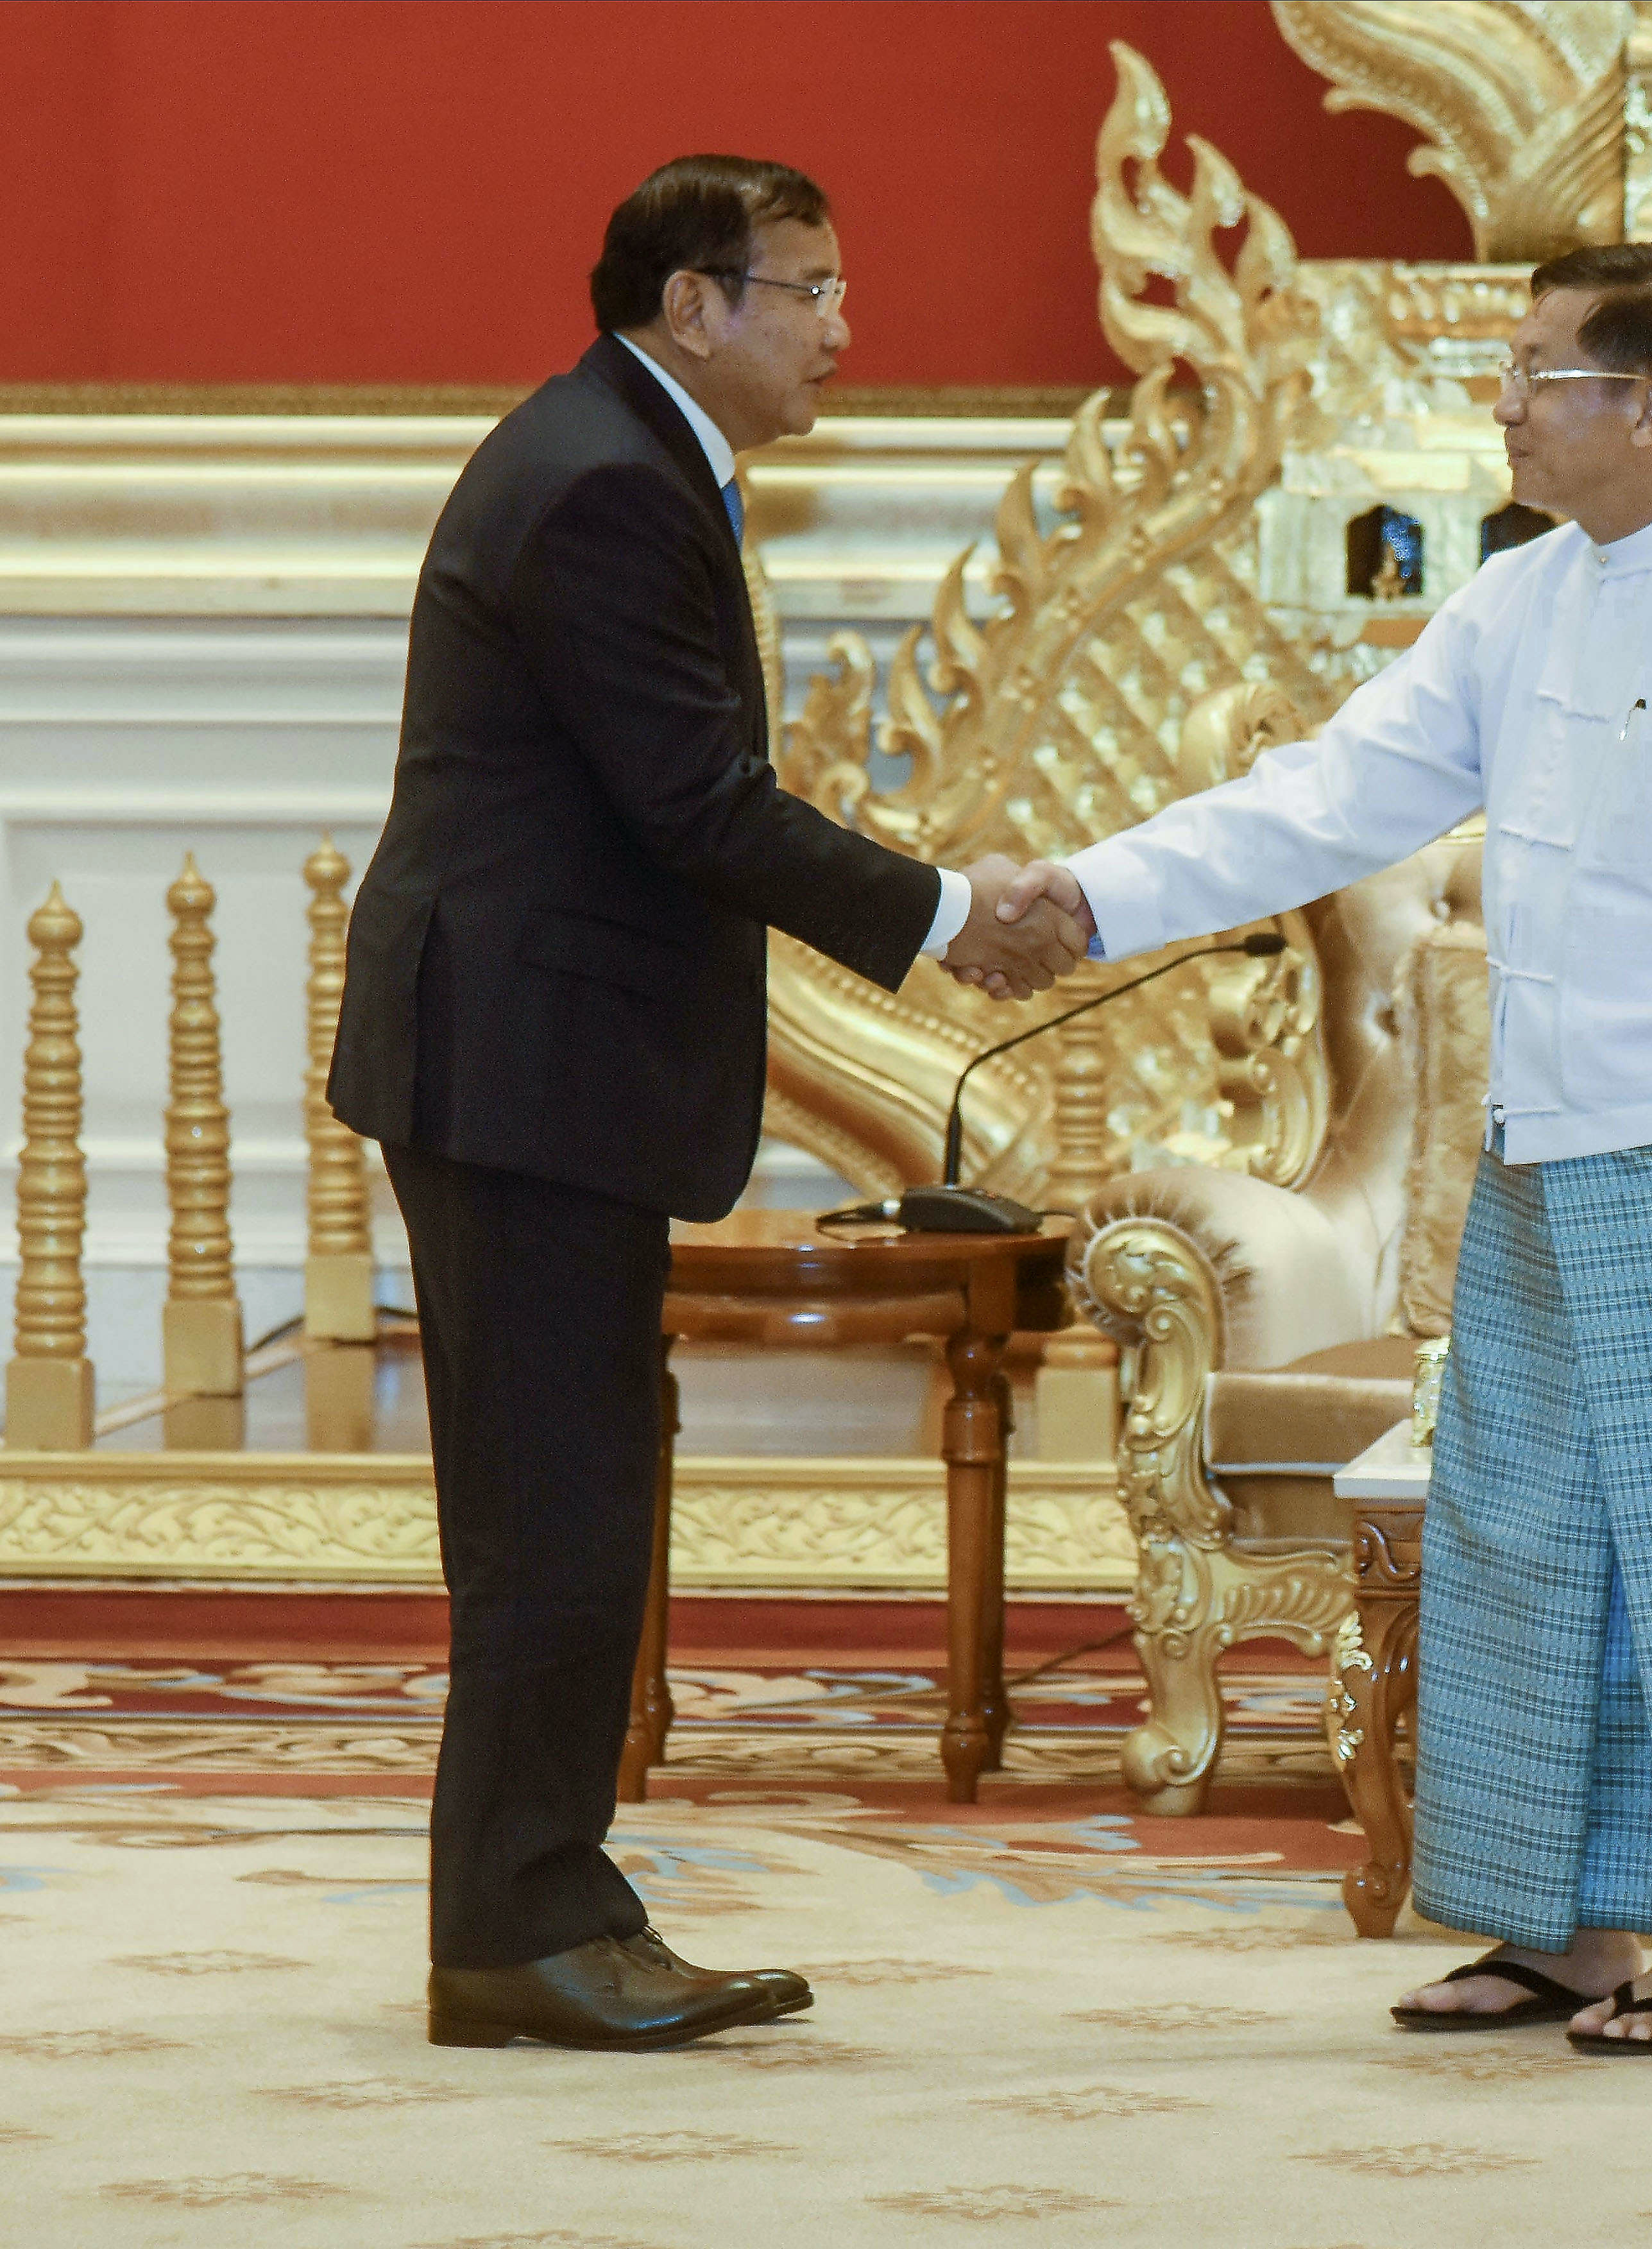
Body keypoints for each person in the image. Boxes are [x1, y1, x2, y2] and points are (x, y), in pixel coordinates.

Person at [1005, 243, 1652, 2049]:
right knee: (1528, 1534)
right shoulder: (1522, 602)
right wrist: (1086, 895)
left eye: (1531, 370)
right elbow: (1328, 798)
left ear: (1642, 408)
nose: (1498, 401)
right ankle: (1559, 1928)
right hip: (1539, 1151)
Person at [328, 155, 1086, 2052]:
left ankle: (540, 1903)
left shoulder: (619, 454)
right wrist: (939, 914)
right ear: (696, 302)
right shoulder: (600, 483)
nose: (847, 324)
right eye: (811, 288)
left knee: (567, 1500)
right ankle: (519, 1929)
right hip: (521, 1070)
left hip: (537, 1061)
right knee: (552, 1515)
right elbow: (693, 804)